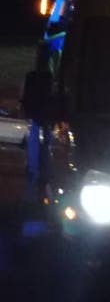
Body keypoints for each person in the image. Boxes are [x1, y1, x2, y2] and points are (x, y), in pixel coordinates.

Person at [21, 42, 54, 196]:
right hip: (43, 117)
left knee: (35, 144)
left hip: (36, 116)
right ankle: (41, 174)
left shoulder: (33, 76)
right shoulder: (48, 77)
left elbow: (26, 96)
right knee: (43, 145)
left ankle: (35, 173)